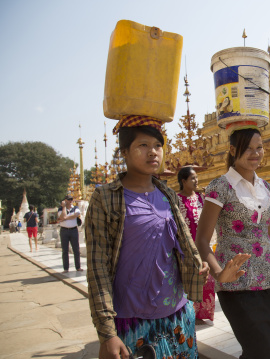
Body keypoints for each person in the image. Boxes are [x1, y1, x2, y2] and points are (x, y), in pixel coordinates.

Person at [85, 118, 209, 359]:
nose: (153, 152)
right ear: (124, 152)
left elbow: (180, 246)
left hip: (177, 314)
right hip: (131, 321)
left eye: (157, 145)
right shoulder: (105, 198)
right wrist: (107, 333)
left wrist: (196, 266)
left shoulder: (168, 195)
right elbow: (97, 267)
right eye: (143, 145)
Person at [196, 127, 270, 359]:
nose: (255, 153)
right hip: (236, 282)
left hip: (266, 279)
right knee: (265, 349)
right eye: (248, 148)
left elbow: (267, 236)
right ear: (233, 150)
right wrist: (218, 274)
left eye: (259, 148)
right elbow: (202, 239)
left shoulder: (265, 187)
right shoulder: (220, 187)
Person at [177, 166, 216, 324]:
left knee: (207, 280)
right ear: (183, 181)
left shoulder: (201, 198)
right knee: (190, 279)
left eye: (196, 178)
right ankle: (189, 313)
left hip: (204, 245)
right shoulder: (177, 199)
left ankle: (203, 313)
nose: (196, 180)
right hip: (187, 248)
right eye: (192, 178)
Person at [57, 195, 82, 273]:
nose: (70, 201)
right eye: (69, 199)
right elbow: (62, 216)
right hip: (64, 231)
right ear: (65, 200)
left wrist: (65, 218)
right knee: (65, 250)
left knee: (76, 249)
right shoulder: (60, 209)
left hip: (73, 230)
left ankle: (78, 267)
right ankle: (66, 268)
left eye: (71, 199)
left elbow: (75, 215)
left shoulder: (75, 208)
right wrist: (64, 207)